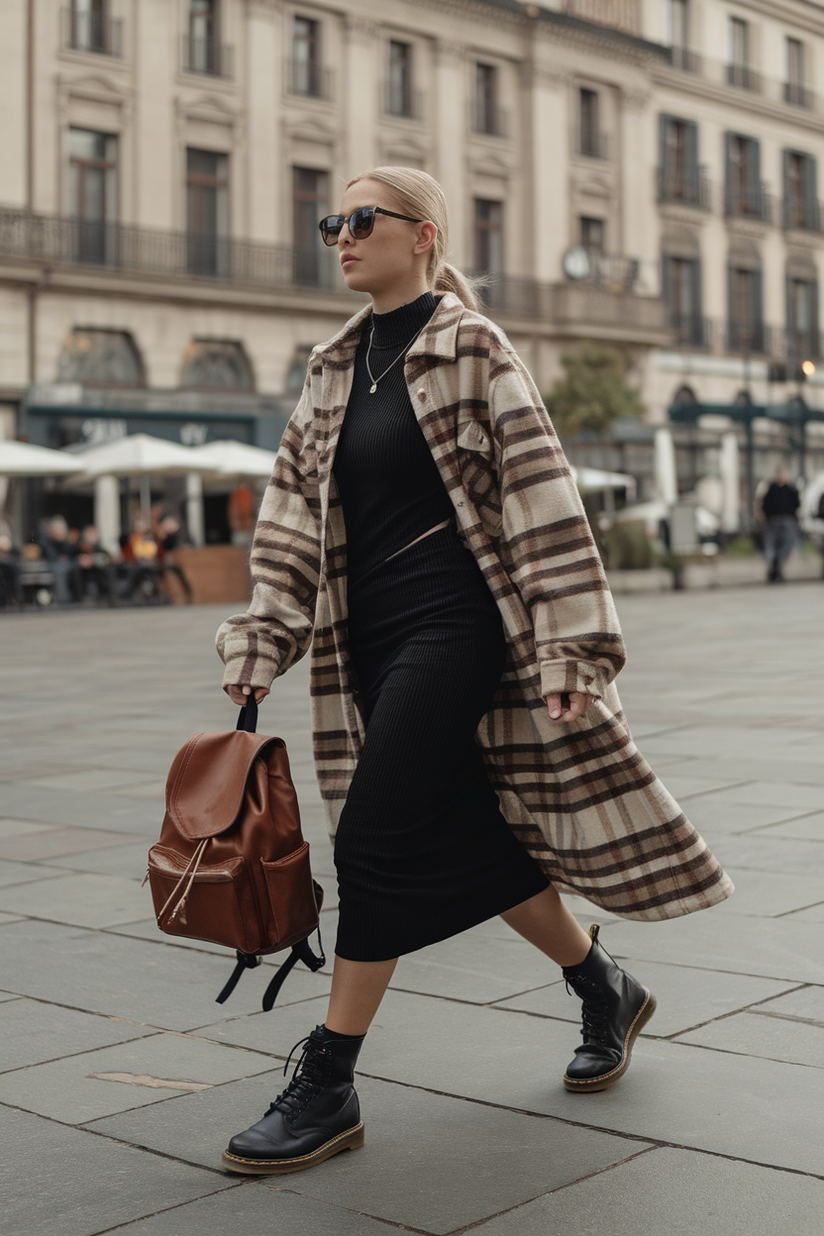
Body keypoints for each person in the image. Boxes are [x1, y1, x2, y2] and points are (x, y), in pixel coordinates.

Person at [215, 167, 733, 1176]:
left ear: (423, 234)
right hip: (364, 638)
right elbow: (287, 519)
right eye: (332, 222)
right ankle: (601, 988)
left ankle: (330, 1076)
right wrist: (259, 642)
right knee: (464, 835)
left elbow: (541, 491)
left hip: (458, 623)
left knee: (370, 832)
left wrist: (568, 644)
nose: (341, 237)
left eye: (361, 220)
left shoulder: (469, 344)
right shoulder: (330, 368)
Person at [760, 467, 800, 583]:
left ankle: (777, 564)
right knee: (771, 546)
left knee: (788, 544)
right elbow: (765, 506)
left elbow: (797, 504)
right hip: (774, 521)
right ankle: (773, 566)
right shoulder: (772, 489)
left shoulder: (790, 489)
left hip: (787, 521)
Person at [38, 515, 80, 604]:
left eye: (62, 529)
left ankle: (78, 597)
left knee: (77, 567)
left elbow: (72, 553)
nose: (60, 531)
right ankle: (62, 599)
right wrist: (60, 556)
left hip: (67, 564)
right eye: (58, 529)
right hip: (51, 564)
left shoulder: (66, 540)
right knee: (60, 569)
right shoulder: (47, 540)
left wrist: (65, 542)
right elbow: (50, 554)